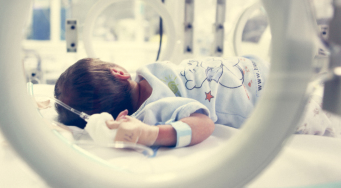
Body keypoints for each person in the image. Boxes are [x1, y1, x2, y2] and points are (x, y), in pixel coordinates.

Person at [55, 55, 270, 148]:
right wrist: (150, 134)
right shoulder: (155, 108)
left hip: (257, 72)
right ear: (119, 72)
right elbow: (204, 124)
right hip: (267, 99)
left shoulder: (149, 73)